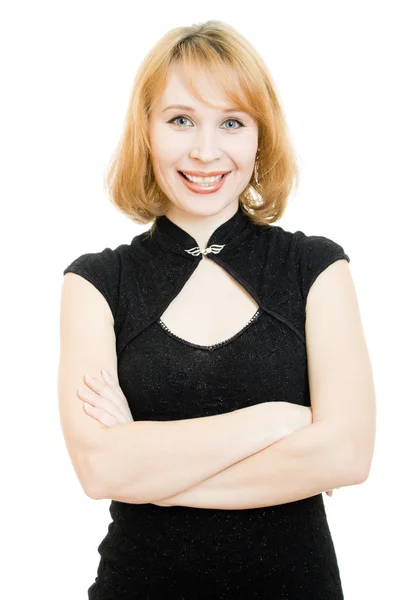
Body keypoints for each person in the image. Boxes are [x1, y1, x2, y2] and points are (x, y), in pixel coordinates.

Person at [59, 19, 375, 599]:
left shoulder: (316, 268)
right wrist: (281, 422)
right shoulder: (96, 282)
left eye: (231, 122)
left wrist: (150, 468)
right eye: (181, 120)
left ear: (260, 137)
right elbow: (102, 470)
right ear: (147, 132)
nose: (206, 150)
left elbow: (347, 453)